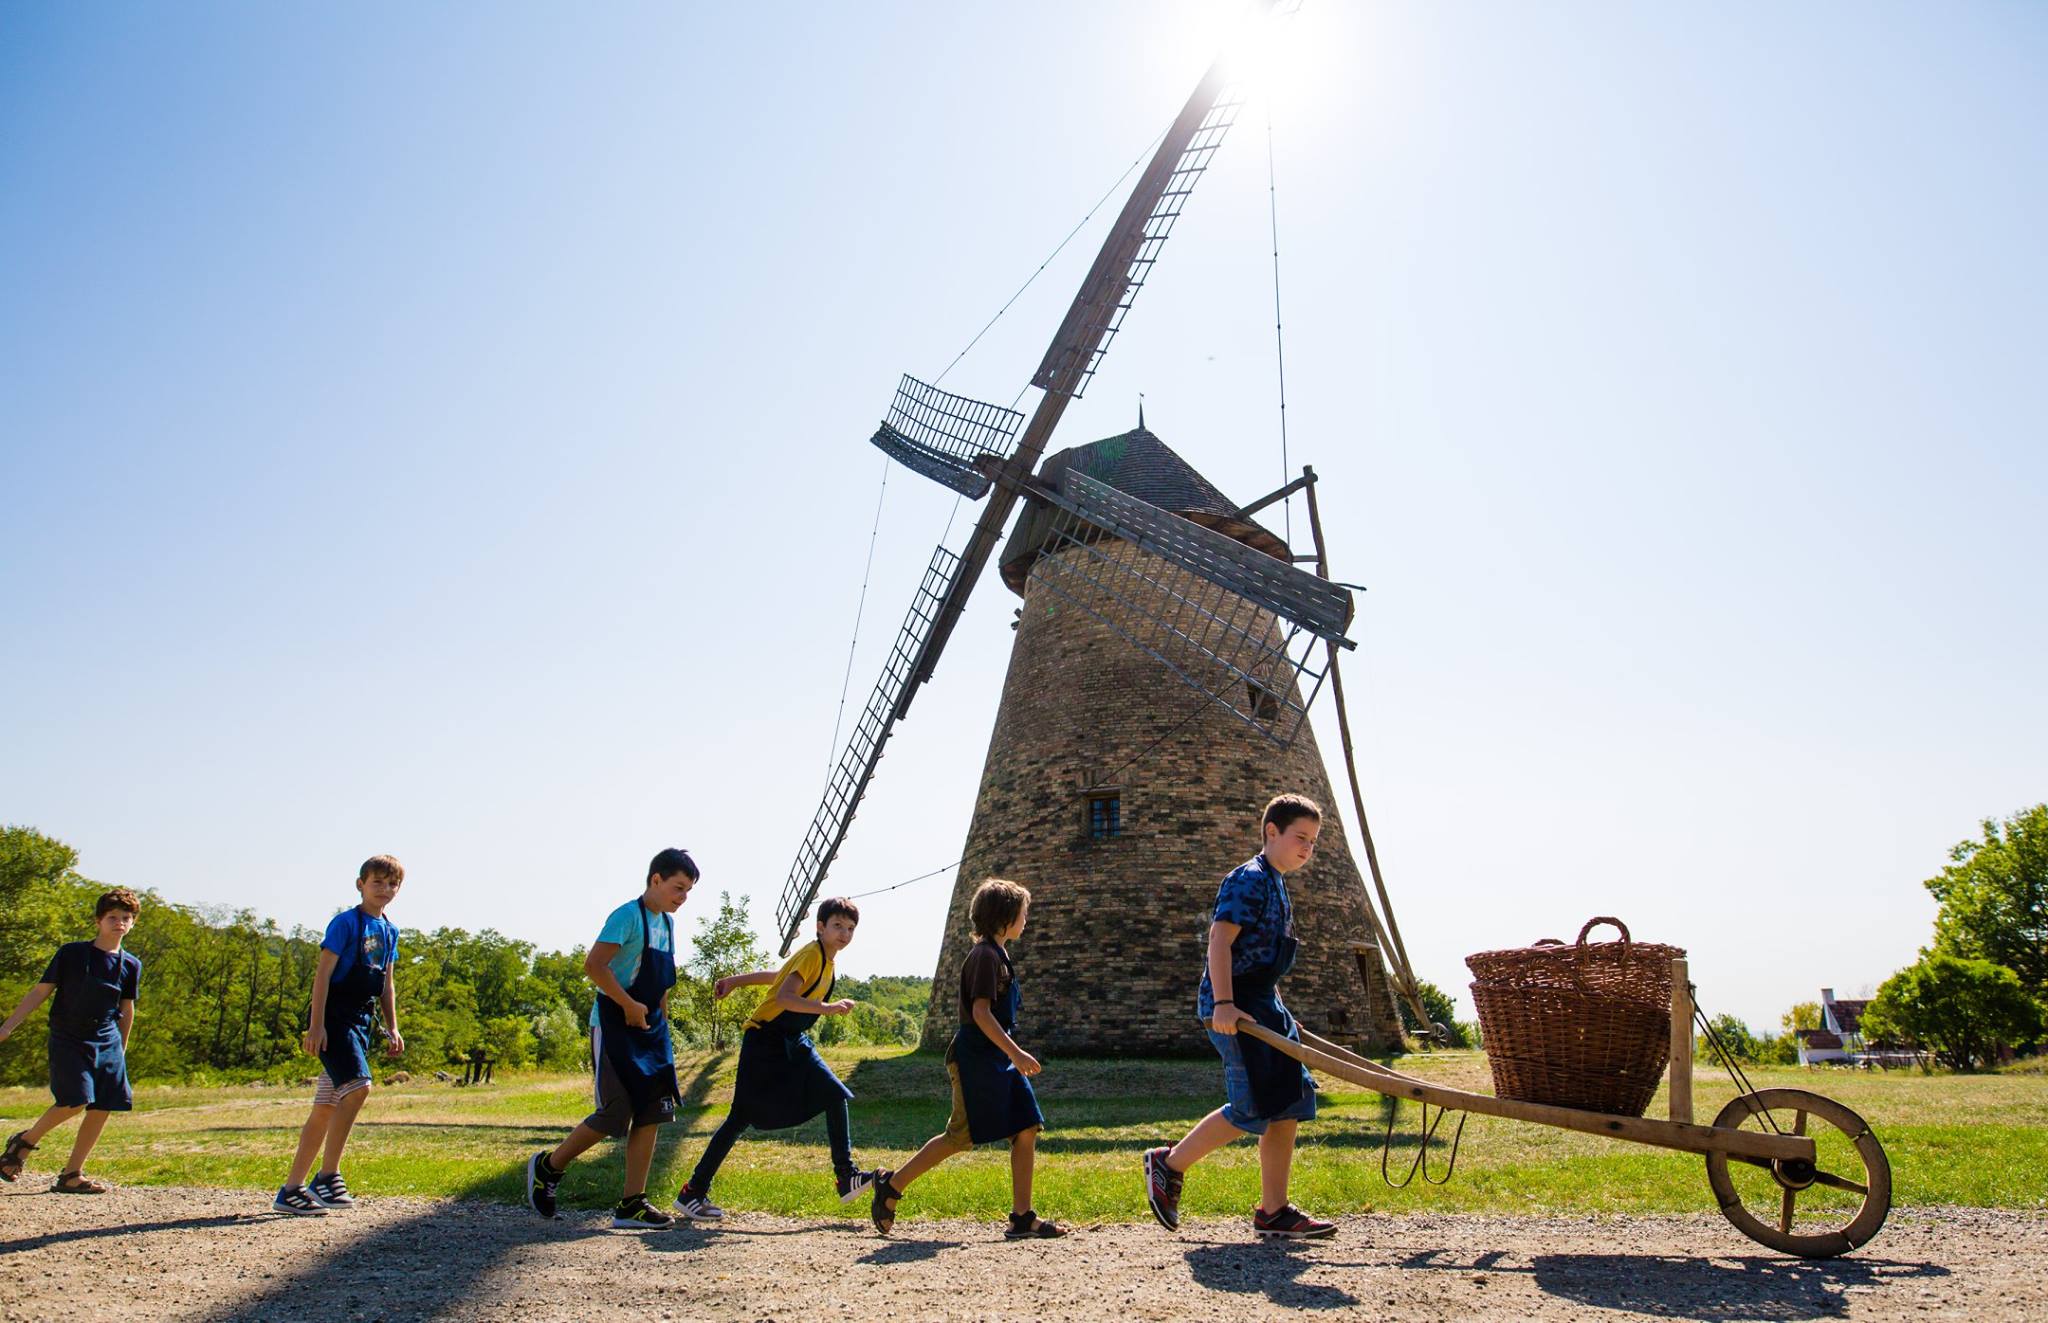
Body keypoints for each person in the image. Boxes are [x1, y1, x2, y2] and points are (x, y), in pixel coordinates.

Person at [1142, 794, 1337, 1239]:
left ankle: (1274, 1210)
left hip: (1263, 1003)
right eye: (1300, 837)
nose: (1307, 848)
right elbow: (1220, 942)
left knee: (1290, 1100)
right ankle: (1167, 1165)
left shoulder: (1277, 883)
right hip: (1235, 1006)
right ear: (1272, 833)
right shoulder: (1248, 879)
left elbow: (1262, 957)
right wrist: (1225, 1005)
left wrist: (1282, 1013)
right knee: (1251, 1105)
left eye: (1313, 841)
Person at [868, 879, 1063, 1239]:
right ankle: (892, 1185)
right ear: (1004, 918)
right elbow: (981, 1013)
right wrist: (1016, 1053)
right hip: (976, 1057)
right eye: (1023, 913)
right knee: (959, 1136)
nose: (1027, 919)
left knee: (1026, 1126)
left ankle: (1022, 1216)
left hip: (994, 1056)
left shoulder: (999, 955)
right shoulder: (985, 957)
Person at [525, 848, 698, 1229]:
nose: (682, 897)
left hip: (650, 1028)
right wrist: (629, 1004)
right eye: (678, 887)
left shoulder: (667, 925)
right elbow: (594, 965)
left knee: (654, 1110)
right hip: (614, 1024)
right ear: (655, 879)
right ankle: (548, 1168)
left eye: (687, 891)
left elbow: (663, 982)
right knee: (616, 1112)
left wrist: (660, 1023)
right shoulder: (627, 917)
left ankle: (632, 1205)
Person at [671, 897, 875, 1220]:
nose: (844, 934)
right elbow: (784, 996)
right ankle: (693, 1191)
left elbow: (778, 977)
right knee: (739, 1117)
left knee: (835, 1094)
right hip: (765, 1041)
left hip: (793, 1040)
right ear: (820, 927)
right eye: (837, 926)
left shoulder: (825, 960)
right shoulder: (812, 954)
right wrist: (827, 1008)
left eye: (850, 928)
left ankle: (846, 1177)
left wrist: (735, 982)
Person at [272, 855, 405, 1214]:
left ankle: (291, 1190)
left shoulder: (390, 932)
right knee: (359, 1087)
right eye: (377, 882)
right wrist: (316, 1025)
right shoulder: (345, 924)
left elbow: (386, 985)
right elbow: (322, 976)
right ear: (360, 884)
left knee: (326, 1106)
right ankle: (327, 1177)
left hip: (362, 1020)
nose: (385, 890)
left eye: (392, 884)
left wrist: (392, 1027)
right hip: (335, 1018)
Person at [0, 889, 144, 1193]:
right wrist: (8, 1026)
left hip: (107, 1039)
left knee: (103, 1103)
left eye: (126, 918)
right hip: (68, 1036)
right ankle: (22, 1143)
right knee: (74, 1099)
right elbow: (41, 991)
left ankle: (72, 1174)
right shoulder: (72, 953)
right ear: (98, 921)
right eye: (113, 917)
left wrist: (121, 1048)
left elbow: (126, 1008)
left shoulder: (131, 964)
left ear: (133, 923)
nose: (120, 923)